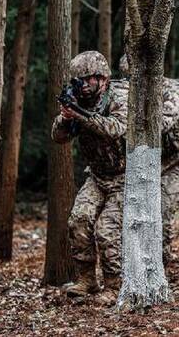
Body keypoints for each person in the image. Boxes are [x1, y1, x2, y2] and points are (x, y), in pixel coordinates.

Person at [118, 53, 179, 263]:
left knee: (162, 209)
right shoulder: (132, 94)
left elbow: (162, 124)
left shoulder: (172, 92)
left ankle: (159, 259)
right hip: (152, 163)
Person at [52, 50, 128, 305]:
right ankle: (87, 279)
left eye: (87, 80)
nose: (82, 86)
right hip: (97, 175)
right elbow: (58, 137)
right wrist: (65, 117)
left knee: (107, 229)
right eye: (78, 81)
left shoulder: (120, 95)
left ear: (103, 78)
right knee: (79, 220)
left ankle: (115, 285)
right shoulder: (78, 100)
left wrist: (82, 116)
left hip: (124, 176)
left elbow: (116, 129)